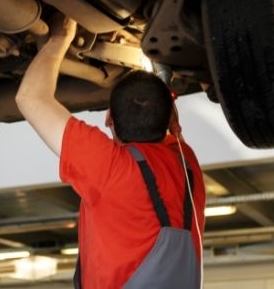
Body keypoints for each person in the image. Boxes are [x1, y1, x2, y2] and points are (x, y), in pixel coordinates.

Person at [16, 15, 206, 288]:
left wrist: (63, 35)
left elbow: (171, 120)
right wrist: (58, 39)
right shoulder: (185, 167)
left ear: (109, 119)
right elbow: (29, 99)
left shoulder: (186, 161)